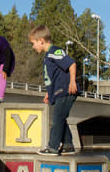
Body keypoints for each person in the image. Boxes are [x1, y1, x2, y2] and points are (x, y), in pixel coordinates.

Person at [28, 25, 79, 156]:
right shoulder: (48, 56)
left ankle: (53, 147)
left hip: (66, 91)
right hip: (58, 92)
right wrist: (48, 93)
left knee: (57, 118)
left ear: (41, 40)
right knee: (61, 118)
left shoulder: (54, 51)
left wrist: (72, 81)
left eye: (33, 43)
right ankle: (68, 145)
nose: (33, 47)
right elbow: (53, 77)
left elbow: (71, 63)